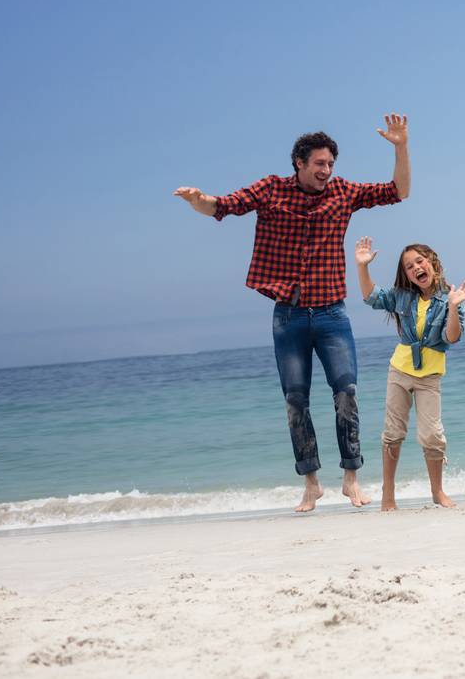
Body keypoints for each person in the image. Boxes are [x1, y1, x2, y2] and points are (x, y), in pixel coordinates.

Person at [174, 115, 410, 512]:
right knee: (295, 400)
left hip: (332, 313)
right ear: (299, 163)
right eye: (319, 164)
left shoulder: (342, 193)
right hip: (289, 316)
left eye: (331, 164)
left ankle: (351, 477)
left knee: (346, 393)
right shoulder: (270, 189)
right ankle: (311, 483)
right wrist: (199, 200)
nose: (326, 171)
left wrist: (400, 146)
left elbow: (398, 191)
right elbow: (224, 207)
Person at [355, 236, 465, 511]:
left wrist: (454, 307)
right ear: (407, 274)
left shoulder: (450, 300)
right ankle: (388, 494)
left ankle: (437, 491)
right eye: (409, 266)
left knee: (432, 434)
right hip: (399, 370)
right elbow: (370, 297)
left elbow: (451, 337)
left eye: (419, 261)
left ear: (432, 262)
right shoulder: (402, 297)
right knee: (393, 432)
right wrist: (362, 267)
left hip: (430, 375)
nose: (415, 268)